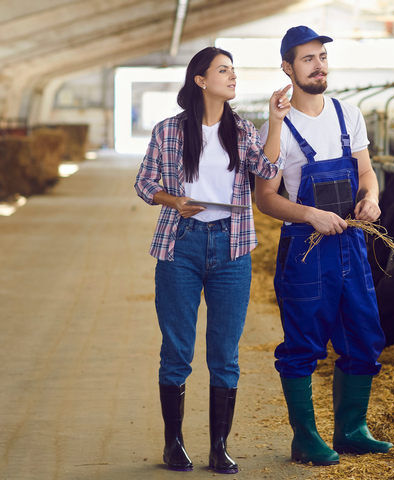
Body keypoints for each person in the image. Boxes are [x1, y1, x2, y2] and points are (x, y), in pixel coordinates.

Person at [134, 46, 290, 473]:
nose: (233, 76)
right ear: (201, 80)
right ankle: (174, 445)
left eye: (234, 70)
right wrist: (174, 200)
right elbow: (145, 184)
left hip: (231, 245)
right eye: (224, 70)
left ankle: (219, 447)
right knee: (177, 349)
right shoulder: (167, 131)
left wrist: (275, 122)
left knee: (225, 353)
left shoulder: (241, 130)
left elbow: (268, 170)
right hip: (180, 243)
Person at [255, 26, 393, 466]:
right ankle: (306, 439)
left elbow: (367, 173)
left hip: (352, 243)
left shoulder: (347, 114)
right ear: (287, 68)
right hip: (306, 248)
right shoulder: (276, 125)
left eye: (322, 57)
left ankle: (352, 430)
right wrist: (310, 214)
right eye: (308, 59)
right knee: (303, 344)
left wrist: (370, 199)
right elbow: (266, 197)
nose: (319, 66)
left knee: (363, 336)